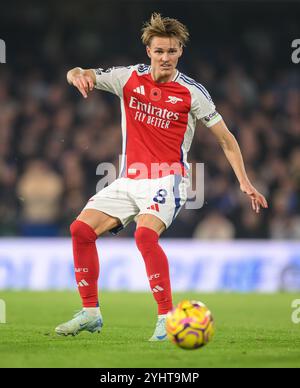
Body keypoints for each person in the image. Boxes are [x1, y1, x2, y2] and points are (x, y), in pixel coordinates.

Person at [55, 13, 268, 340]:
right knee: (80, 230)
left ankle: (166, 317)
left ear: (180, 51)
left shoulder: (192, 92)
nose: (165, 58)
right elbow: (81, 72)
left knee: (144, 237)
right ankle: (90, 313)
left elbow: (226, 139)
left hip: (168, 178)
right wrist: (75, 75)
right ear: (148, 51)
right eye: (159, 51)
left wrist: (244, 181)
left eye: (171, 51)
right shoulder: (127, 78)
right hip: (129, 179)